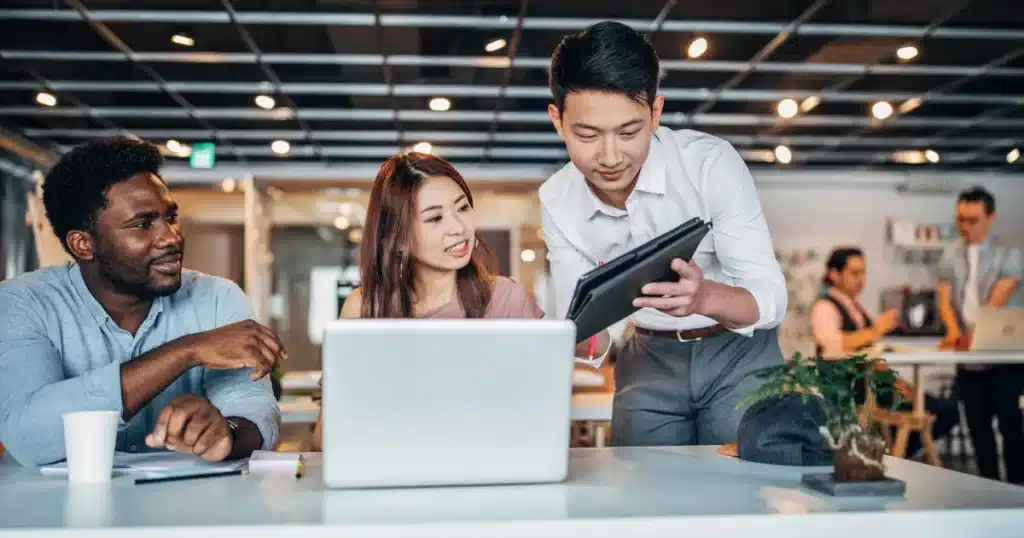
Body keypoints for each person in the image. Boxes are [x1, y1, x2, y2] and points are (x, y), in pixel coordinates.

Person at [540, 21, 788, 447]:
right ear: (557, 120)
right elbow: (585, 333)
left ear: (655, 113)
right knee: (641, 493)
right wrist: (552, 335)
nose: (610, 156)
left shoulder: (709, 165)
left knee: (744, 493)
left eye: (630, 132)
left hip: (739, 353)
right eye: (587, 135)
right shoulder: (557, 201)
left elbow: (771, 298)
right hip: (649, 358)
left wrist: (703, 297)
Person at [0, 137, 283, 466]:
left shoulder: (218, 298)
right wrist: (185, 352)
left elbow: (254, 409)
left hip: (188, 508)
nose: (170, 237)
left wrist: (226, 434)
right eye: (143, 224)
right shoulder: (22, 302)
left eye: (170, 217)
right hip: (54, 512)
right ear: (83, 244)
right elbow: (28, 435)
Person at [311, 152, 544, 451]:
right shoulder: (365, 307)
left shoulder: (507, 299)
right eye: (435, 218)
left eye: (463, 208)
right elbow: (325, 440)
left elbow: (539, 415)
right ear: (399, 235)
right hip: (392, 470)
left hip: (489, 468)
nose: (459, 227)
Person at [810, 247, 959, 459]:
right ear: (834, 274)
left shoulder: (856, 306)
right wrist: (876, 330)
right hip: (850, 388)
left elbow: (869, 352)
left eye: (863, 272)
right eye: (854, 273)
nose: (861, 279)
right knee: (942, 410)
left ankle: (891, 453)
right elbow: (832, 344)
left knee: (940, 409)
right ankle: (891, 454)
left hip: (871, 383)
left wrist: (895, 380)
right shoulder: (824, 307)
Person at [936, 186, 1023, 483]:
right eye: (960, 219)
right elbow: (945, 298)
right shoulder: (951, 254)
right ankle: (987, 485)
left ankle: (1016, 489)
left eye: (972, 220)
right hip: (968, 358)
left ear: (990, 217)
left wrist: (972, 334)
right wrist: (952, 330)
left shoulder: (1008, 254)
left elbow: (998, 298)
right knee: (977, 425)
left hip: (1002, 355)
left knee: (1011, 425)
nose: (965, 227)